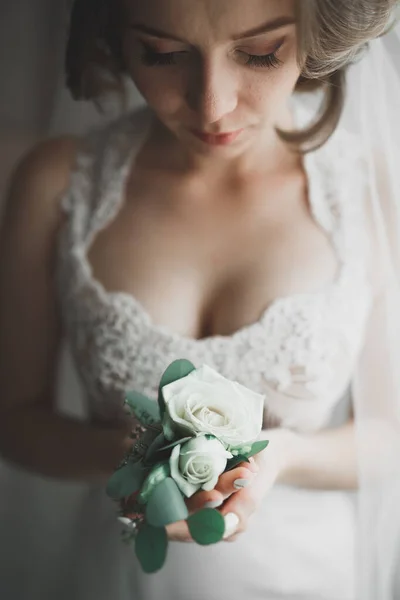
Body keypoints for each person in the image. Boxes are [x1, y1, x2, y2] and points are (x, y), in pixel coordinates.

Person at [0, 1, 399, 599]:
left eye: (261, 52)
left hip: (308, 577)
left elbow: (392, 433)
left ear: (317, 39)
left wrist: (281, 457)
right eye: (162, 54)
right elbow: (14, 422)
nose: (212, 104)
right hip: (117, 579)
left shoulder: (373, 189)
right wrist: (130, 454)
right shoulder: (56, 184)